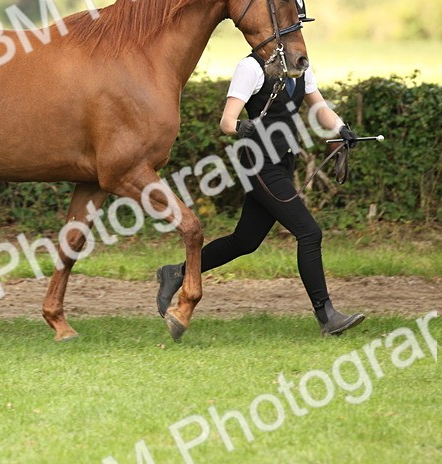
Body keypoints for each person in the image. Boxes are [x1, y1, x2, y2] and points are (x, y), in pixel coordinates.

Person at [155, 34, 366, 336]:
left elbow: (318, 106)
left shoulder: (299, 67)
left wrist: (341, 128)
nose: (298, 38)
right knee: (309, 233)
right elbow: (227, 121)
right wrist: (242, 126)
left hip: (282, 162)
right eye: (291, 30)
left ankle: (176, 272)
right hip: (259, 164)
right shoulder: (251, 68)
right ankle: (327, 316)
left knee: (246, 240)